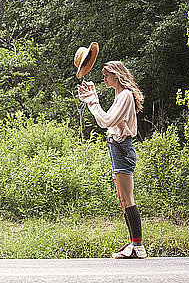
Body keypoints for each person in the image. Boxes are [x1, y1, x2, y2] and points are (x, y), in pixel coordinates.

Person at [77, 61, 147, 259]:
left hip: (122, 148)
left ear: (117, 74)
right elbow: (104, 121)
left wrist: (93, 101)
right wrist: (92, 99)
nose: (104, 77)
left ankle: (138, 247)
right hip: (117, 148)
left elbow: (107, 121)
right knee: (122, 200)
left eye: (106, 74)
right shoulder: (119, 96)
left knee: (127, 199)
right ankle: (134, 244)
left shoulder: (125, 95)